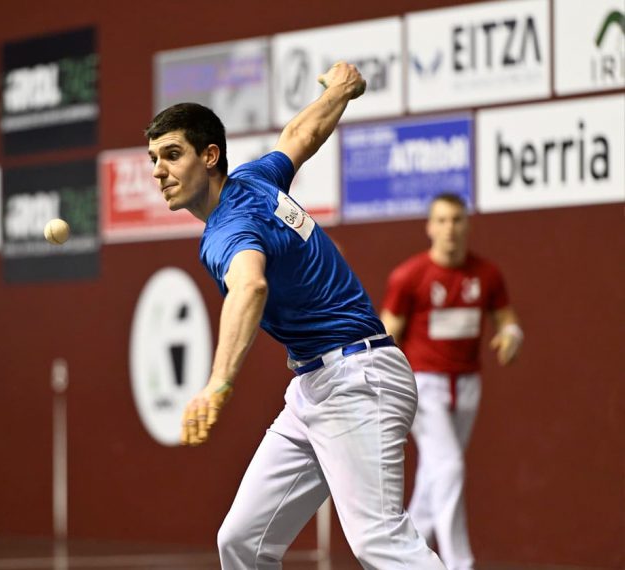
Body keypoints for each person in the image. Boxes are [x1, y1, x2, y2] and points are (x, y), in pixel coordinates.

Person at [146, 63, 445, 569]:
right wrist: (342, 90)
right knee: (242, 540)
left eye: (172, 155)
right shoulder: (256, 179)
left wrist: (218, 384)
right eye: (154, 158)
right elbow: (301, 133)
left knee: (380, 543)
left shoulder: (226, 231)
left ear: (209, 156)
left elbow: (250, 285)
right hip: (315, 388)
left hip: (356, 379)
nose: (158, 171)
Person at [379, 193, 523, 570]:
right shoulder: (409, 276)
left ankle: (398, 559)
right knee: (449, 468)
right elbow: (386, 333)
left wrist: (511, 336)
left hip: (468, 385)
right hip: (423, 386)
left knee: (435, 477)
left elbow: (507, 320)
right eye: (441, 221)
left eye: (457, 220)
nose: (450, 229)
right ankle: (460, 563)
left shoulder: (487, 274)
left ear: (467, 225)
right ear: (429, 227)